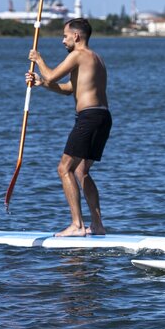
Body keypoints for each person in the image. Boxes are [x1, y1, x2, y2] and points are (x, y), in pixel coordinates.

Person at [25, 17, 111, 237]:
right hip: (102, 117)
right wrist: (43, 84)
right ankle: (98, 225)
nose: (62, 40)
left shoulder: (78, 55)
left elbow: (53, 74)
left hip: (89, 117)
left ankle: (77, 225)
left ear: (76, 36)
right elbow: (67, 89)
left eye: (65, 36)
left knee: (64, 169)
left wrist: (39, 59)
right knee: (81, 171)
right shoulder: (95, 58)